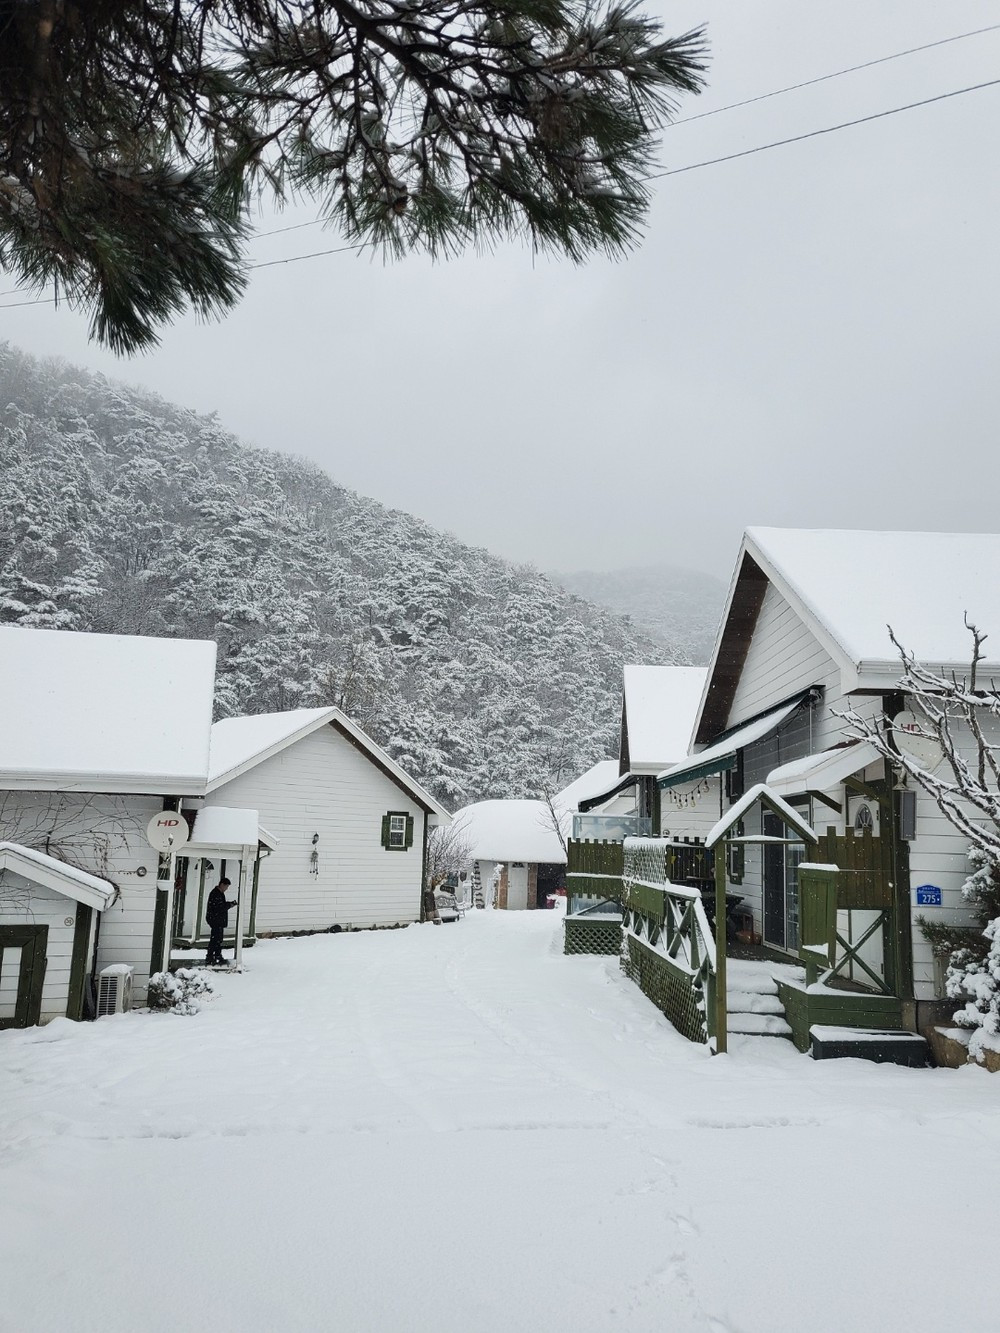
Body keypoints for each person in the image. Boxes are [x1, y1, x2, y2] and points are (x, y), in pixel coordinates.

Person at [205, 877, 237, 966]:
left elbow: (220, 906)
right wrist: (229, 905)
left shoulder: (219, 893)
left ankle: (215, 956)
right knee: (216, 939)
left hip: (217, 920)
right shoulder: (216, 894)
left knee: (217, 939)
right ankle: (212, 956)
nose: (226, 889)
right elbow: (219, 908)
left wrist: (229, 904)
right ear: (222, 885)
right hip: (216, 920)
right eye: (226, 887)